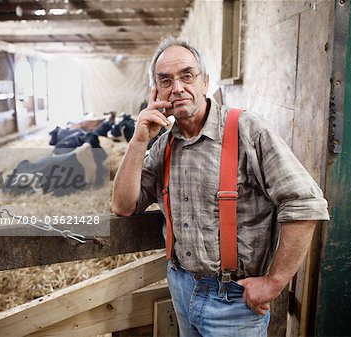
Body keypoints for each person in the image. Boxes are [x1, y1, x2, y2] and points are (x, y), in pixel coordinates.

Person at [112, 36, 329, 337]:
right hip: (181, 287)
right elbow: (123, 206)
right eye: (165, 81)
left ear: (205, 82)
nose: (177, 88)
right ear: (156, 92)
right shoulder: (162, 145)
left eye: (187, 76)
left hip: (235, 301)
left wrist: (274, 282)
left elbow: (306, 203)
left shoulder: (247, 130)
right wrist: (138, 141)